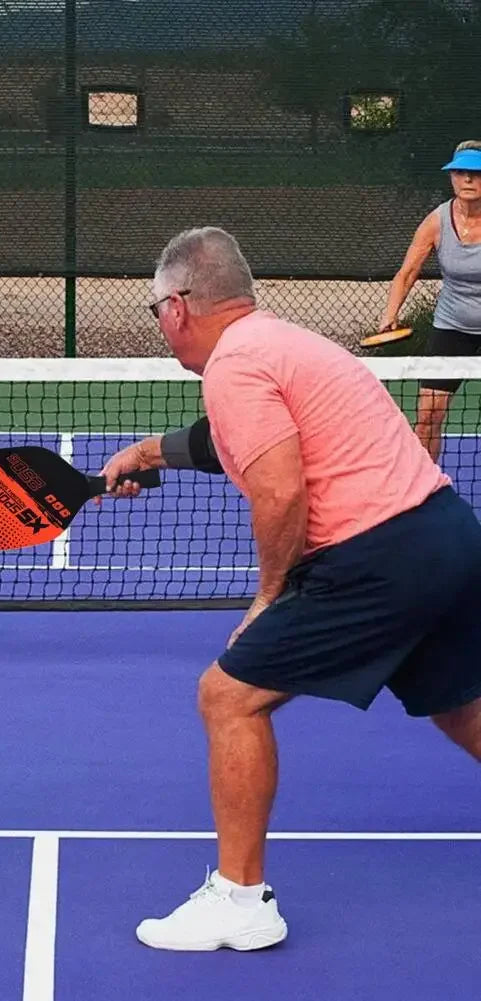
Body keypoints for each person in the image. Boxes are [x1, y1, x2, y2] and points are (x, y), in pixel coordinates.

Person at [101, 226, 481, 952]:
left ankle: (241, 900)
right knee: (461, 706)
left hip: (377, 556)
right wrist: (149, 451)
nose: (160, 327)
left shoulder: (232, 366)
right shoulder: (281, 342)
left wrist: (270, 595)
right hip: (447, 535)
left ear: (178, 306)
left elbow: (277, 490)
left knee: (228, 695)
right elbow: (234, 440)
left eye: (156, 313)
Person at [379, 140, 481, 461]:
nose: (468, 179)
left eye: (476, 173)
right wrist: (390, 314)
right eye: (461, 172)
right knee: (428, 416)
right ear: (451, 177)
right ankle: (424, 492)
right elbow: (407, 273)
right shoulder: (437, 220)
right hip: (451, 328)